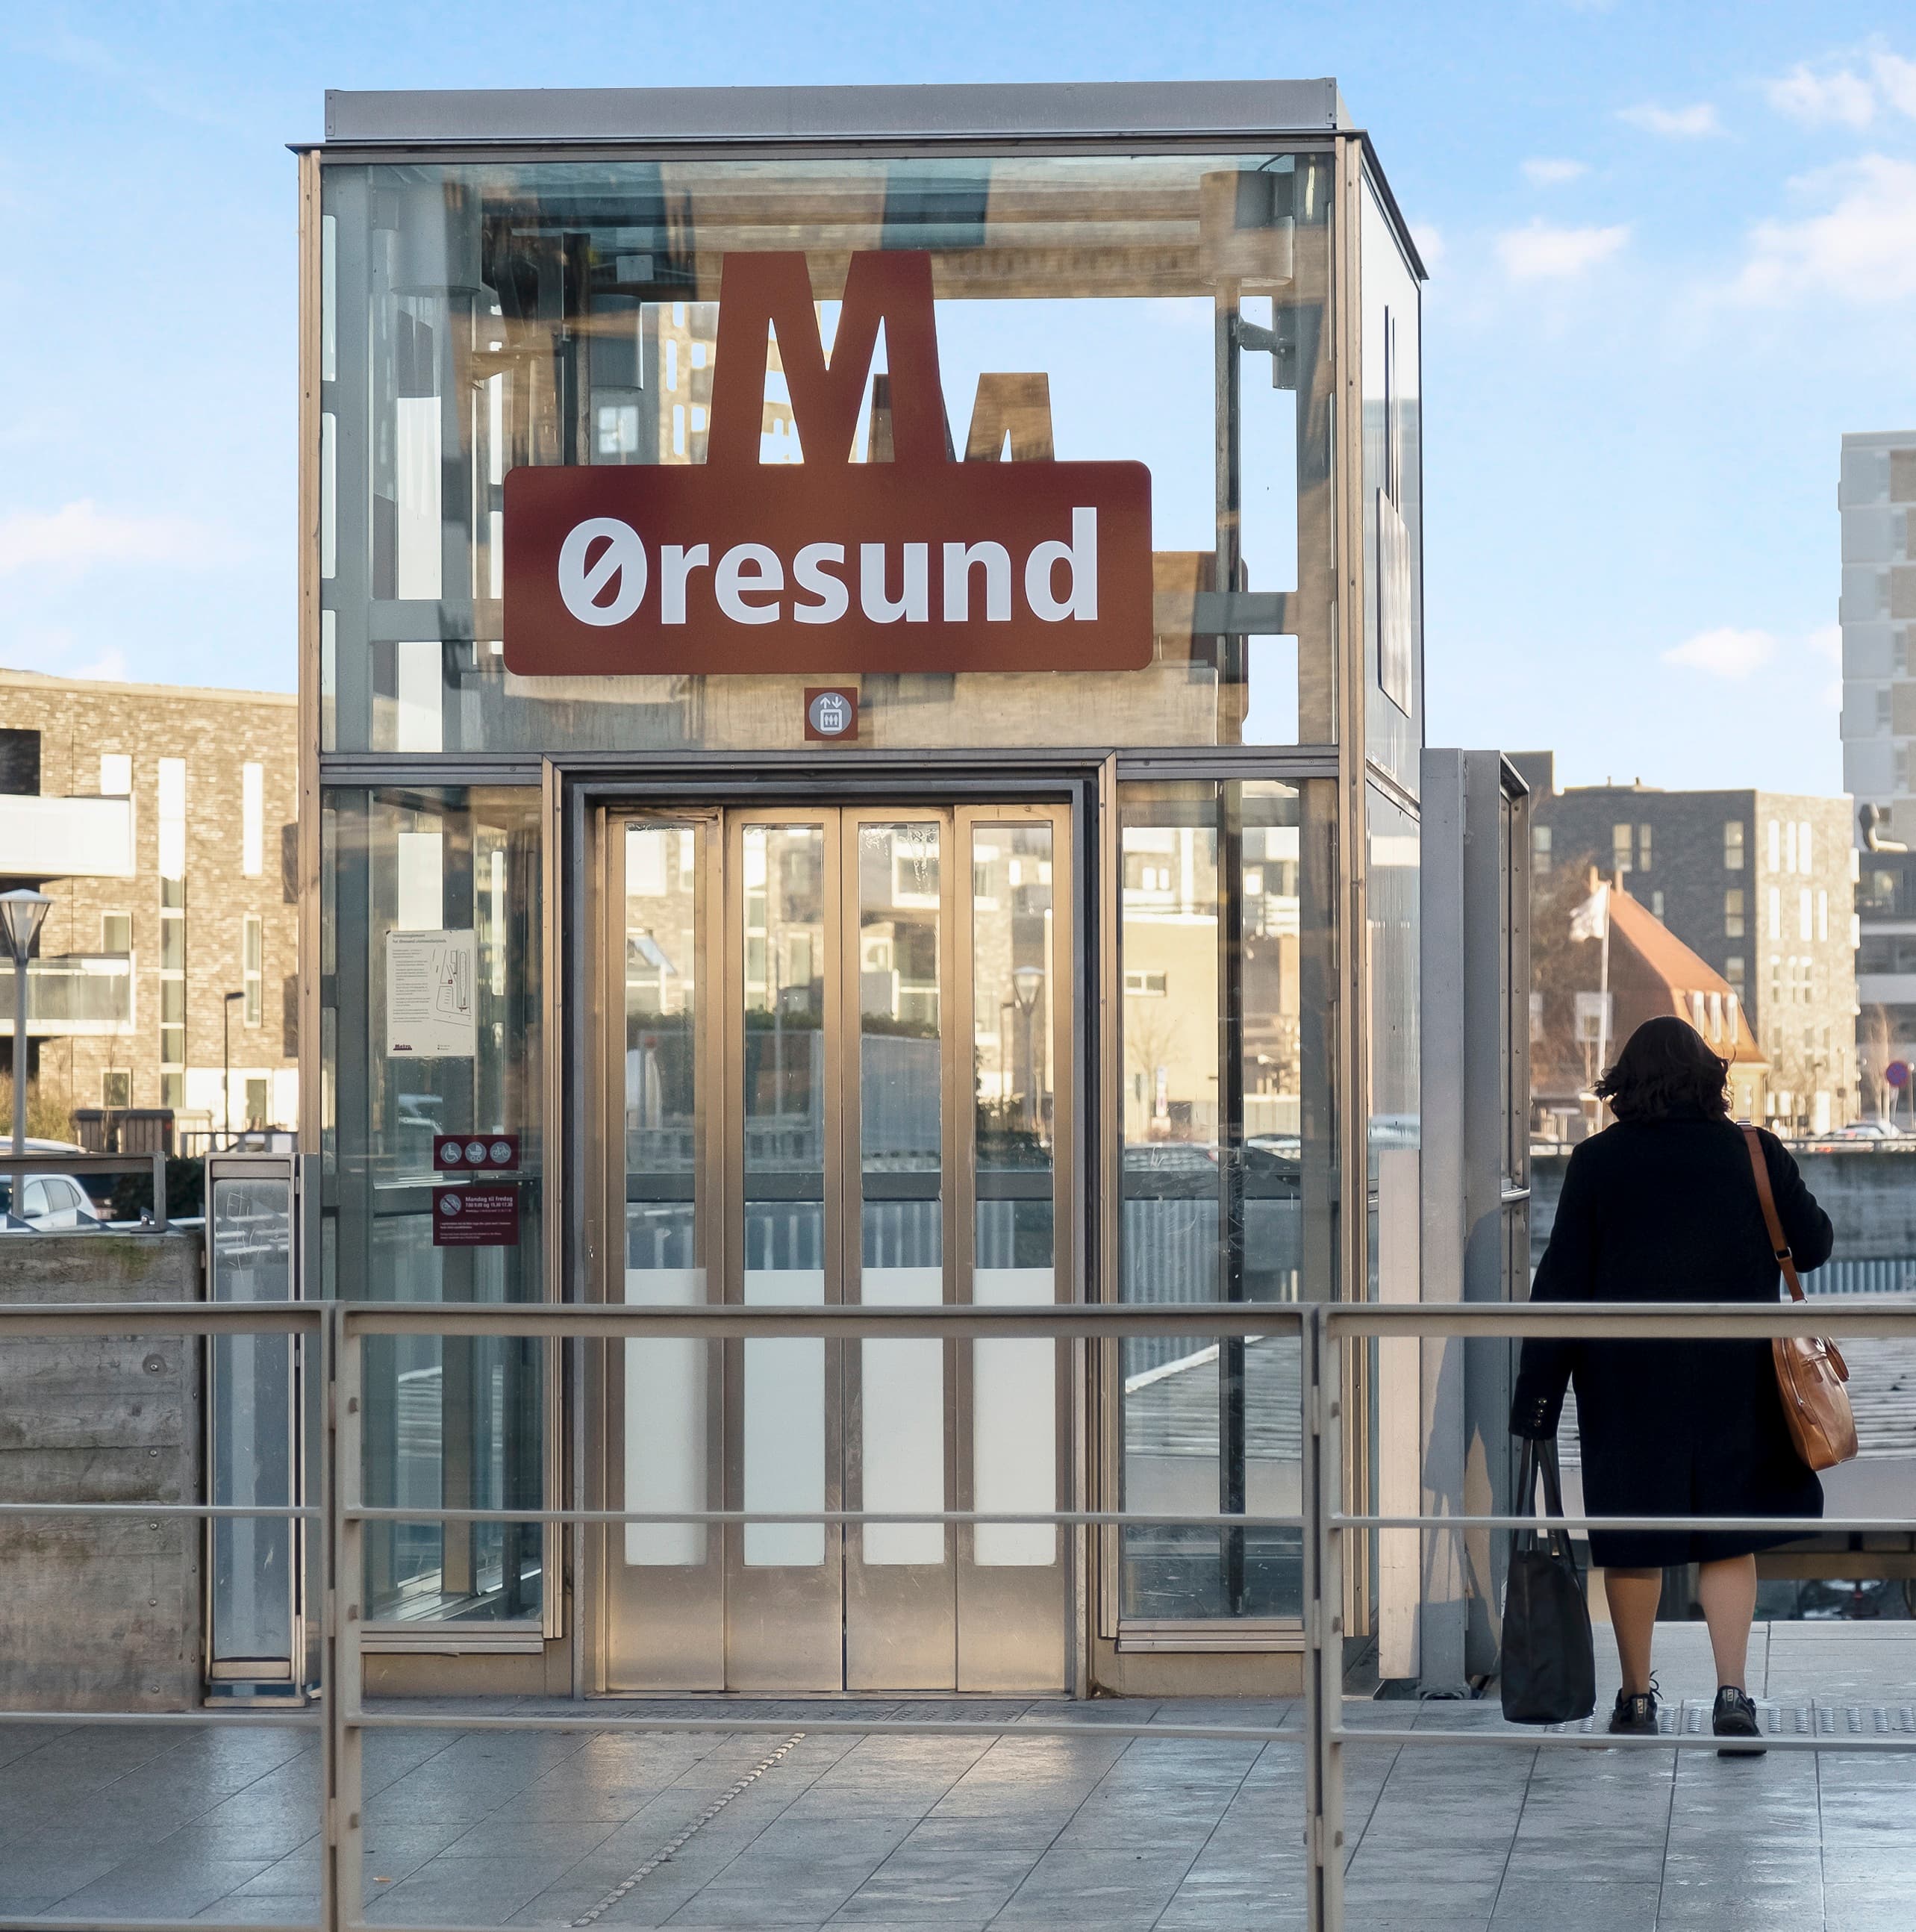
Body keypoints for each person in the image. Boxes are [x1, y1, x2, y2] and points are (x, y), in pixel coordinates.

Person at [1510, 1015, 1833, 1748]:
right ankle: (1731, 1693)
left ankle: (1633, 1697)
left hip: (1625, 1383)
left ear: (1623, 1083)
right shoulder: (1752, 1151)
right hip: (1734, 1376)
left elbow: (1561, 1283)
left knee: (1631, 1539)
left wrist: (1537, 1395)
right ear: (1707, 1078)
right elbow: (1811, 1246)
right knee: (1726, 1537)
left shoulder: (1595, 1162)